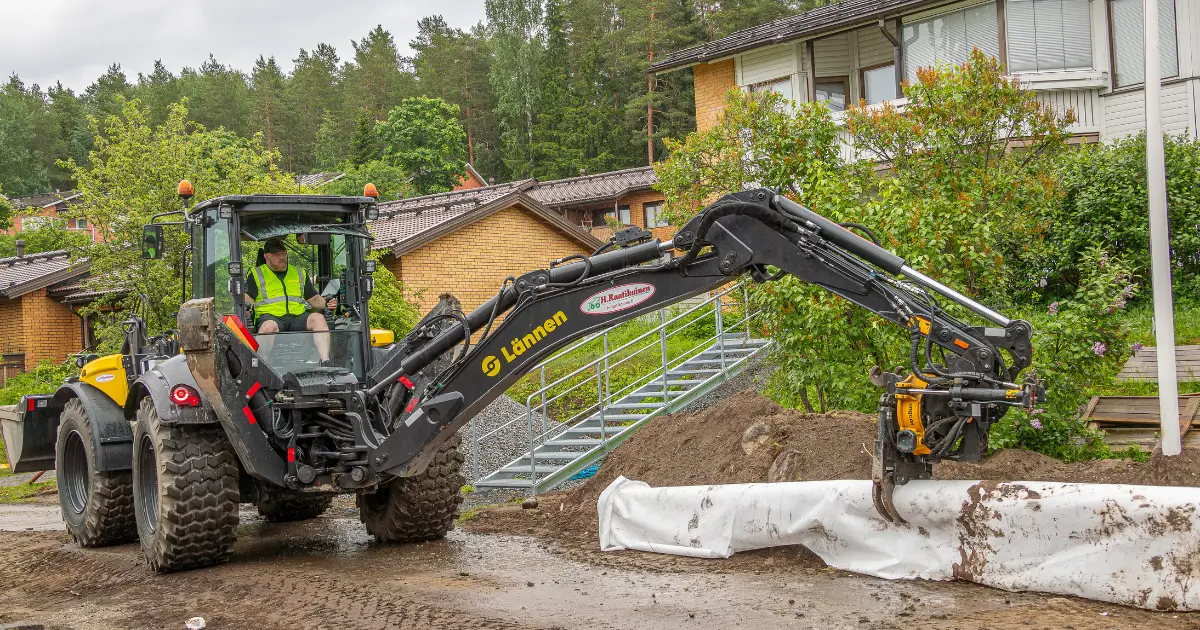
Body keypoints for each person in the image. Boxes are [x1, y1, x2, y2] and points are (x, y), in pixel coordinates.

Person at [243, 238, 338, 364]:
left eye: (283, 253)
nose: (282, 257)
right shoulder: (256, 274)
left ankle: (326, 361)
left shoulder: (299, 273)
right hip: (270, 317)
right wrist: (244, 309)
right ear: (266, 257)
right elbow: (246, 301)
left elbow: (313, 298)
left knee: (318, 318)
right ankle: (261, 364)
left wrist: (327, 304)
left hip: (297, 317)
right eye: (277, 255)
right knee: (268, 327)